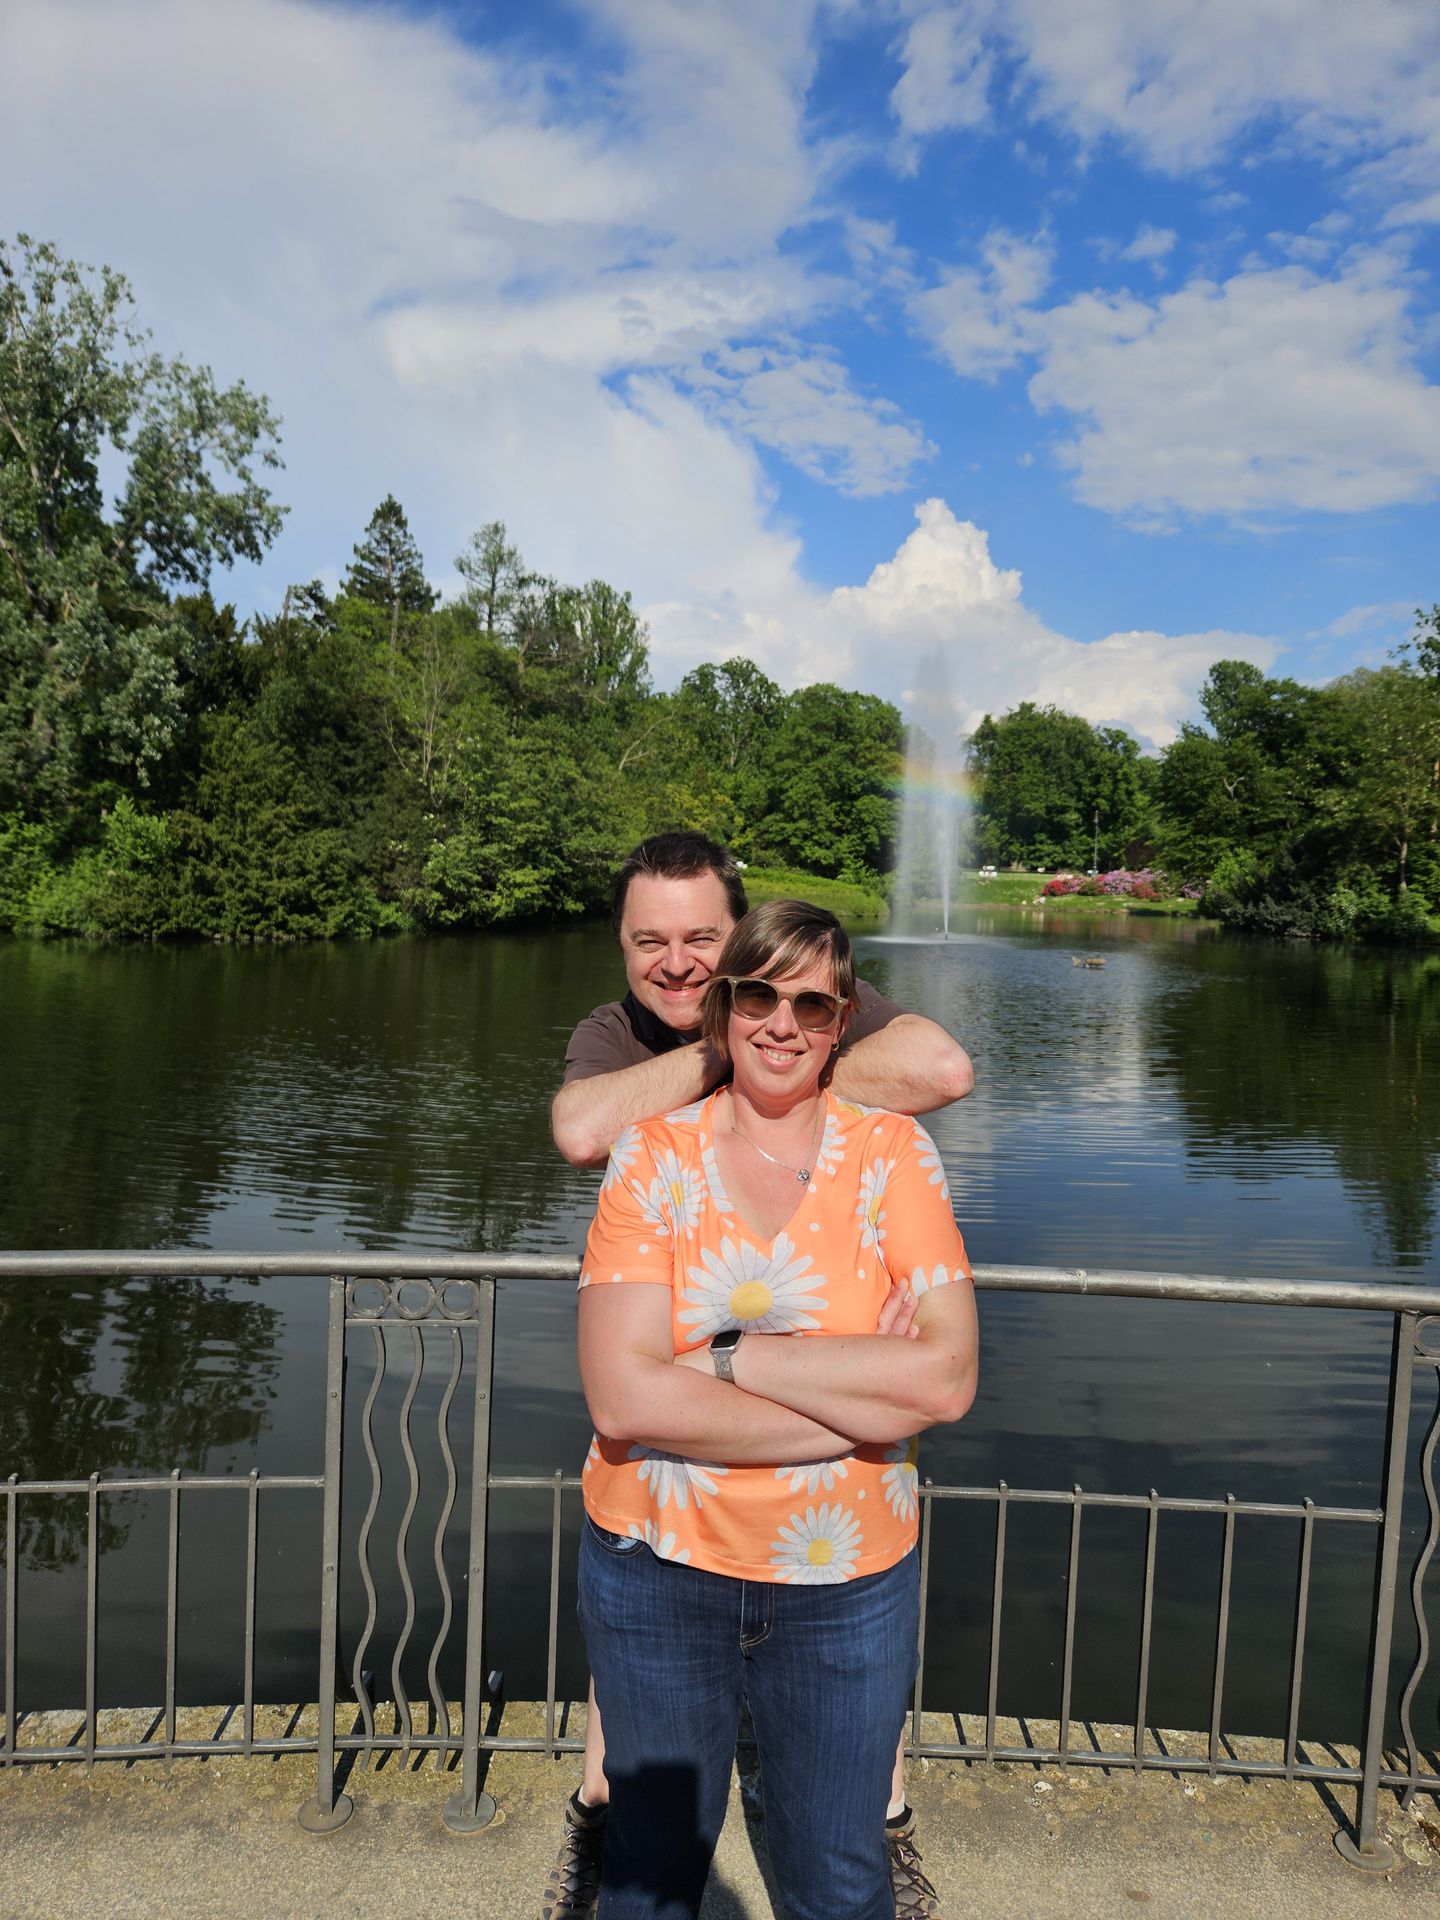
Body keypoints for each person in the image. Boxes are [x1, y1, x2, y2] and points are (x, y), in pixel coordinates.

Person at [543, 834, 974, 1920]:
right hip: (661, 1547)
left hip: (841, 1570)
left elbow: (942, 1378)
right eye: (650, 942)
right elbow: (624, 1391)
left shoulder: (884, 1146)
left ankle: (881, 1821)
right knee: (652, 1867)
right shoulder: (637, 1105)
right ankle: (595, 1816)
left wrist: (734, 1358)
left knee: (837, 1872)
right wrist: (855, 1409)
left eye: (701, 939)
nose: (676, 962)